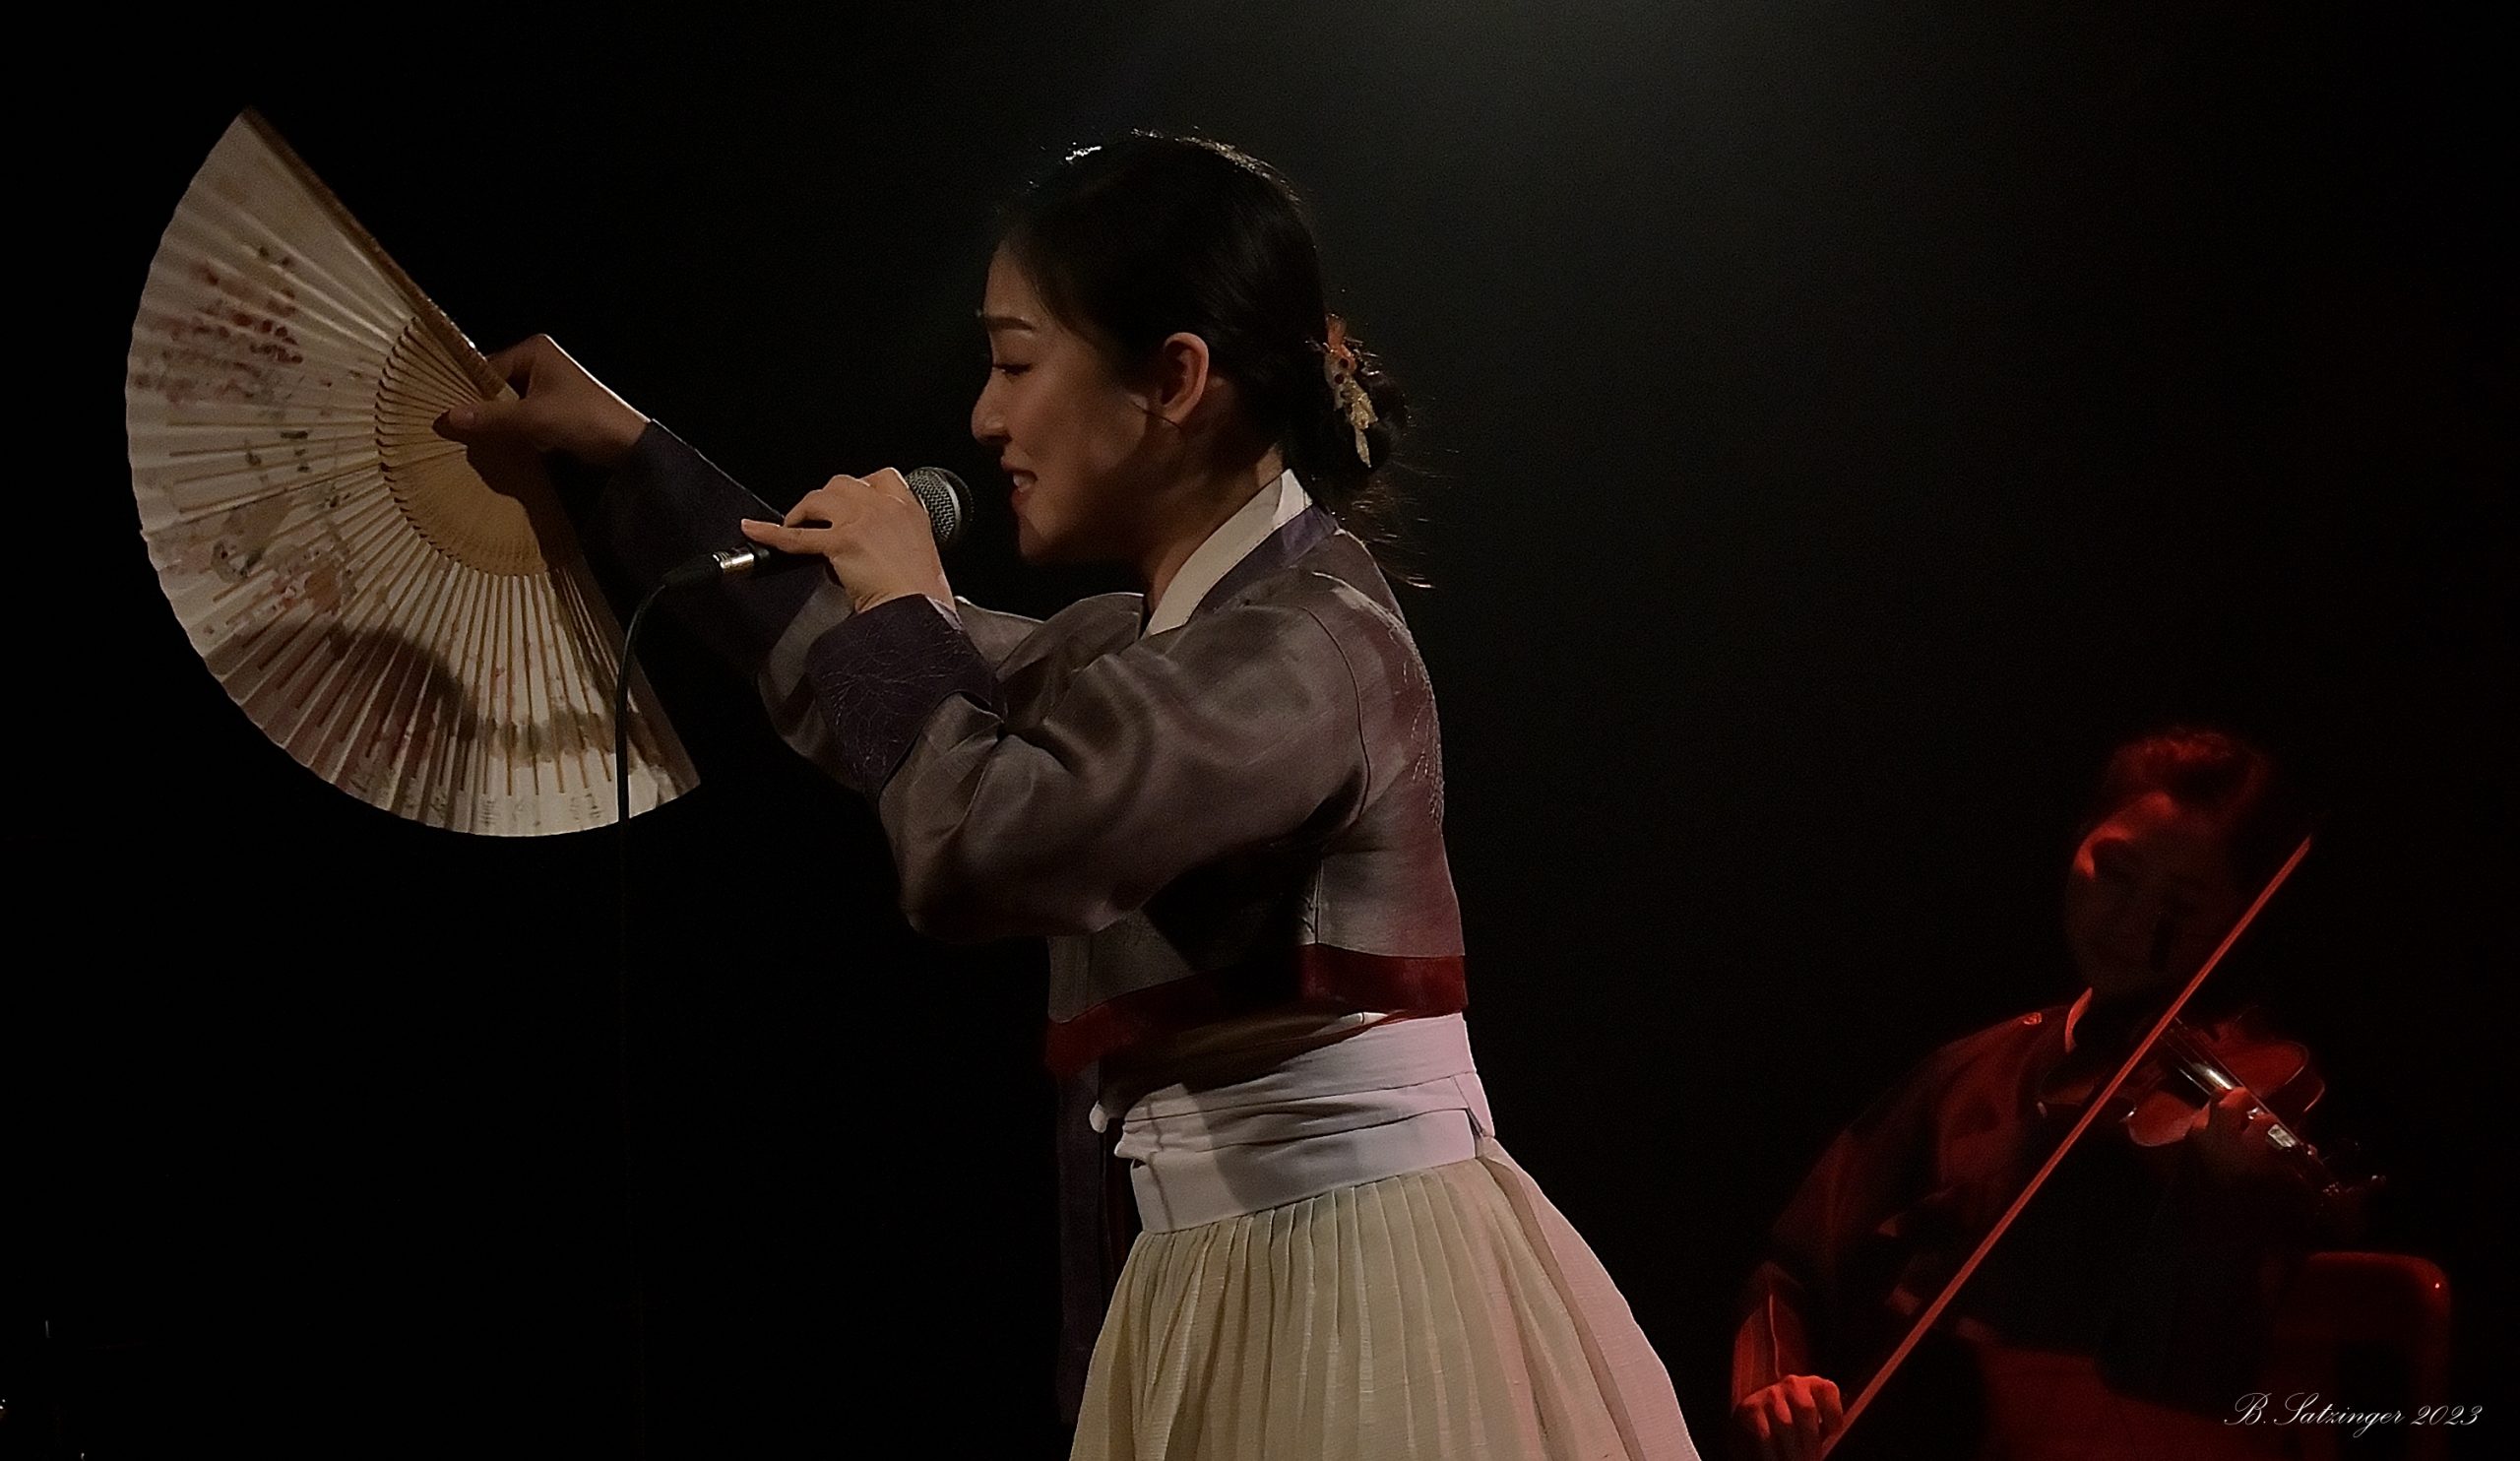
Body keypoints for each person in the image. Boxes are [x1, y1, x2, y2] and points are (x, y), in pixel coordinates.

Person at [441, 133, 1700, 1460]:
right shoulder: (1155, 646)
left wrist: (908, 607)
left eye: (1017, 362)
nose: (985, 418)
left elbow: (979, 843)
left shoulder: (1303, 652)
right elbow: (872, 688)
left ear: (1174, 379)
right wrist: (626, 449)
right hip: (1227, 1275)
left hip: (1353, 1295)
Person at [1728, 729, 2355, 1461]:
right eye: (2115, 871)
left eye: (2180, 907)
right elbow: (1791, 1269)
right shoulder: (1973, 1066)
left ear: (2235, 919)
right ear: (2078, 841)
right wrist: (1772, 1384)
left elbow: (2214, 1386)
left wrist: (2224, 1198)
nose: (2131, 922)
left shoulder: (2233, 1092)